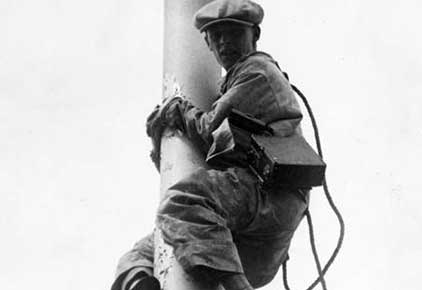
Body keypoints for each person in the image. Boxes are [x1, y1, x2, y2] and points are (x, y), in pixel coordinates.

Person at [111, 1, 309, 290]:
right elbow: (208, 154)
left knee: (184, 201)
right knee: (141, 254)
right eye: (216, 36)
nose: (224, 42)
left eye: (233, 33)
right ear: (207, 42)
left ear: (254, 35)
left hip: (271, 198)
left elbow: (209, 129)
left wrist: (179, 110)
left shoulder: (258, 72)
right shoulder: (231, 83)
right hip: (241, 218)